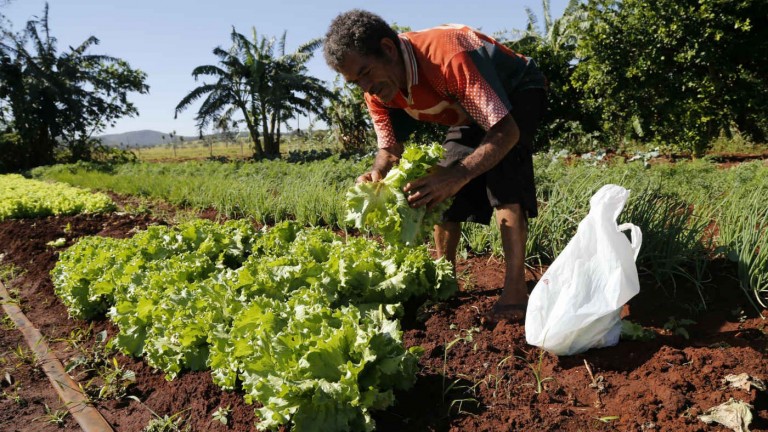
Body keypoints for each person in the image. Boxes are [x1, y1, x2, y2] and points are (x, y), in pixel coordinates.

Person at [323, 10, 547, 323]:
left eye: (366, 72)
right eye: (355, 81)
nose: (366, 86)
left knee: (504, 174)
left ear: (388, 49)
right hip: (469, 109)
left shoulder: (447, 56)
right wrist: (377, 175)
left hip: (516, 90)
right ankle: (445, 279)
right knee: (436, 186)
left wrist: (457, 176)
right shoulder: (377, 91)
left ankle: (515, 289)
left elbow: (506, 131)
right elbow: (388, 149)